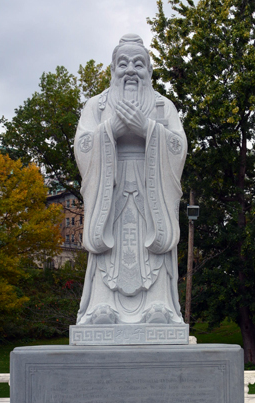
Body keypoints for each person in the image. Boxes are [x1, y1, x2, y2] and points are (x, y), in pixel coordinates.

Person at [74, 34, 187, 325]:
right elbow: (83, 146)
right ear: (112, 70)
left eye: (139, 64)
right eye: (122, 64)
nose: (130, 70)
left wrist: (148, 128)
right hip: (109, 190)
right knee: (109, 248)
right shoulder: (96, 106)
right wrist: (110, 128)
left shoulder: (164, 106)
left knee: (153, 245)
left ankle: (158, 305)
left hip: (152, 188)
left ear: (149, 71)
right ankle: (101, 306)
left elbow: (178, 147)